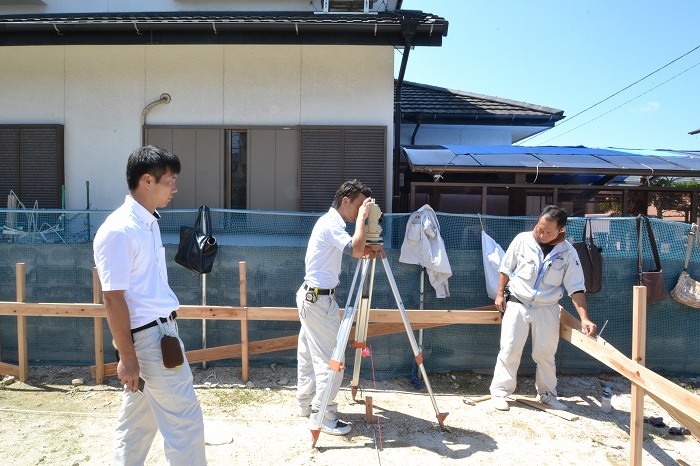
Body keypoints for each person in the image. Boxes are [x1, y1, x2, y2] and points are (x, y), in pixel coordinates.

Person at [93, 145, 207, 465]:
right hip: (150, 340)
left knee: (137, 426)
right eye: (169, 181)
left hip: (158, 335)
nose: (175, 188)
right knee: (185, 423)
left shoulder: (148, 223)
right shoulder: (119, 230)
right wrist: (127, 356)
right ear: (147, 181)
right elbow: (113, 298)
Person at [489, 205, 597, 412]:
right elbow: (505, 267)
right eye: (540, 228)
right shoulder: (522, 240)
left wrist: (584, 318)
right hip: (517, 303)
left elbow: (576, 288)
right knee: (509, 349)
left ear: (561, 230)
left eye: (548, 231)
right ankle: (500, 393)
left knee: (545, 354)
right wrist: (500, 293)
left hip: (547, 309)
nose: (542, 233)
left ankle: (547, 394)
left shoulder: (568, 253)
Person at [296, 179, 374, 436]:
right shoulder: (332, 224)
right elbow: (355, 249)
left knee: (308, 355)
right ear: (345, 201)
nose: (361, 210)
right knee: (332, 360)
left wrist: (370, 247)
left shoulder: (330, 223)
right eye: (360, 205)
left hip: (313, 297)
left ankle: (305, 404)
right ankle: (324, 416)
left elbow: (359, 247)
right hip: (319, 301)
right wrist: (363, 221)